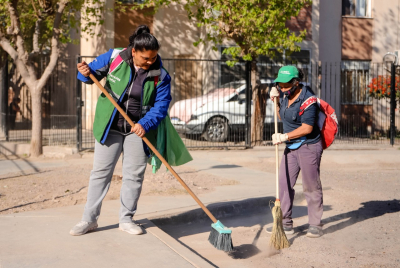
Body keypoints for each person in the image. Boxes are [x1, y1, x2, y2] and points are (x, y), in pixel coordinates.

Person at [70, 25, 192, 236]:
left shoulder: (160, 75)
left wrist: (144, 124)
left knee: (134, 176)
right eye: (145, 58)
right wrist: (84, 73)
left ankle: (126, 219)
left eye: (153, 57)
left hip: (137, 129)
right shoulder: (115, 57)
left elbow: (161, 106)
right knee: (100, 174)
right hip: (110, 127)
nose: (150, 61)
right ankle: (88, 220)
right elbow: (90, 75)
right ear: (133, 51)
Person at [266, 66, 324, 238]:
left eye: (285, 86)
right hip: (290, 147)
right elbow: (282, 117)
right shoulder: (284, 96)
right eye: (279, 85)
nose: (282, 89)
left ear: (296, 83)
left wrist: (284, 136)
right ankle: (285, 223)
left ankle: (315, 224)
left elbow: (307, 128)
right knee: (284, 184)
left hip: (308, 146)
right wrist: (275, 101)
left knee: (310, 185)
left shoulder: (308, 100)